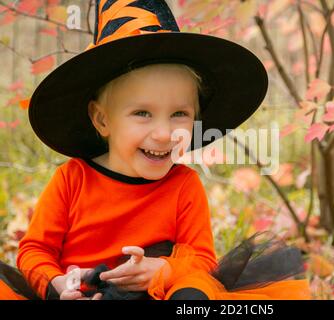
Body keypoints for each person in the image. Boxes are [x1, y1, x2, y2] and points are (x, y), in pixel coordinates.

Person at [0, 0, 311, 300]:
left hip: (155, 293)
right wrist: (57, 284)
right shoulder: (72, 180)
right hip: (81, 292)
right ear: (102, 119)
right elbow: (35, 250)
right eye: (142, 114)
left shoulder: (184, 186)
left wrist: (162, 270)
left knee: (197, 285)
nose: (164, 134)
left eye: (179, 114)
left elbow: (202, 258)